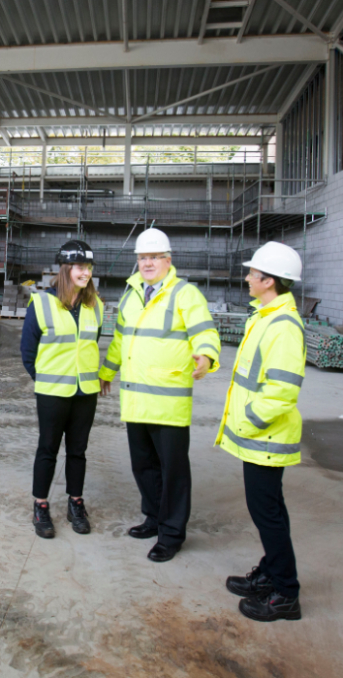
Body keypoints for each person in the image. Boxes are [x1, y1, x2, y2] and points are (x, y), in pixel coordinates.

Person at [98, 228, 220, 562]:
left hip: (168, 401)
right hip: (136, 399)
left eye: (154, 257)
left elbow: (205, 329)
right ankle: (153, 518)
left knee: (173, 470)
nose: (147, 263)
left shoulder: (185, 294)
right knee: (144, 466)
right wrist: (108, 370)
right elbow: (121, 338)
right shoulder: (131, 293)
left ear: (168, 260)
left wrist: (206, 355)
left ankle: (171, 534)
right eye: (142, 257)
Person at [217, 241, 306, 622]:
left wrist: (250, 419)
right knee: (269, 511)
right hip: (259, 438)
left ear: (269, 281)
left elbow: (283, 390)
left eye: (253, 273)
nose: (248, 278)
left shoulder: (283, 326)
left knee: (267, 513)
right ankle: (272, 573)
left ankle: (286, 592)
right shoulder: (266, 315)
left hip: (266, 437)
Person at [20, 241, 104, 539]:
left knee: (78, 451)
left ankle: (75, 502)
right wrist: (45, 380)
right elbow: (28, 352)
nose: (86, 272)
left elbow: (92, 345)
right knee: (48, 449)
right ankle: (41, 505)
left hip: (86, 392)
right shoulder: (42, 303)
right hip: (52, 393)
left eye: (89, 267)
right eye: (81, 267)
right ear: (66, 270)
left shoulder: (96, 305)